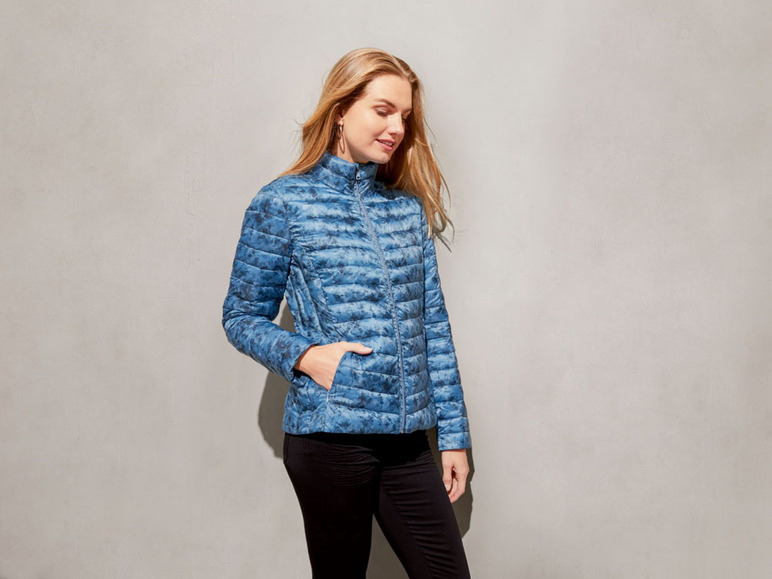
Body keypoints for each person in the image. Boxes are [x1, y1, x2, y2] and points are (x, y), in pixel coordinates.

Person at [221, 47, 472, 578]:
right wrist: (307, 356)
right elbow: (241, 317)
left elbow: (432, 327)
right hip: (330, 438)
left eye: (405, 116)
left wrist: (453, 435)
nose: (396, 127)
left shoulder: (406, 210)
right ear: (340, 110)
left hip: (407, 443)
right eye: (383, 110)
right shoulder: (284, 202)